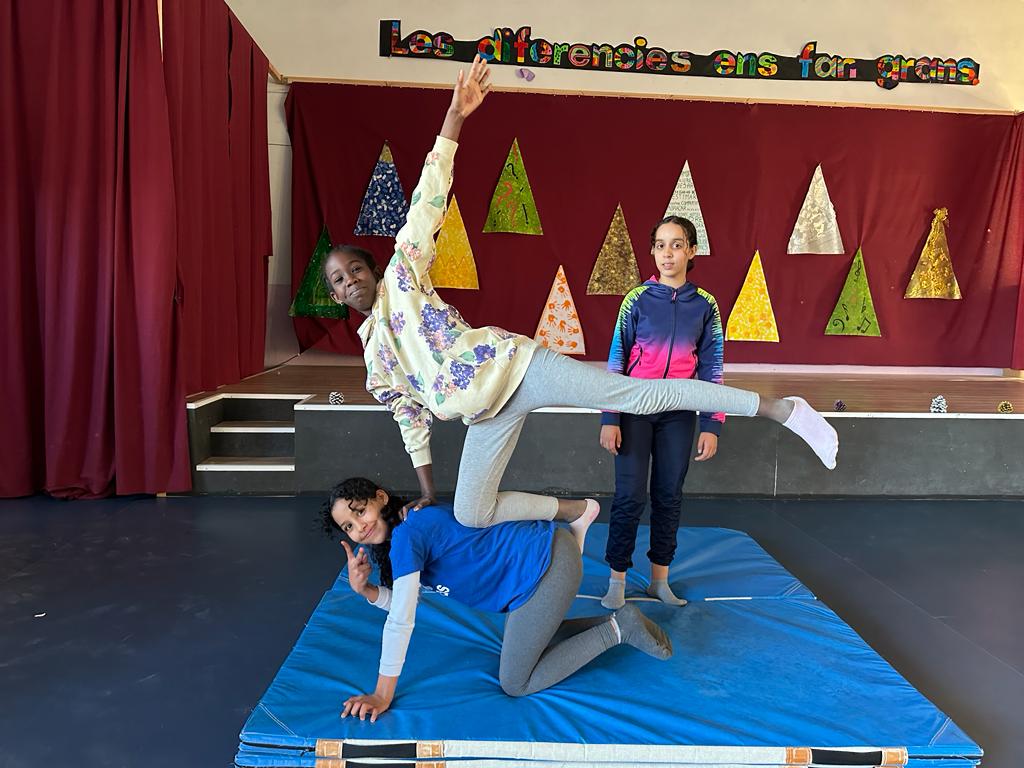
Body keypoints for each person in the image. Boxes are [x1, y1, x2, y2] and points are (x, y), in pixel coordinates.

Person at [324, 56, 838, 537]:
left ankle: (781, 410)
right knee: (471, 512)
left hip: (518, 368)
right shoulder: (375, 360)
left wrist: (455, 116)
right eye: (340, 280)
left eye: (355, 269)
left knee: (640, 395)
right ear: (336, 295)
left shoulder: (404, 272)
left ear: (373, 268)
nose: (351, 281)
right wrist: (428, 491)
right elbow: (409, 418)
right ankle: (577, 511)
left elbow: (428, 201)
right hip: (484, 415)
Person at [322, 477, 674, 722]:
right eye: (349, 527)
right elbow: (408, 602)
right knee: (527, 645)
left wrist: (382, 694)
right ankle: (620, 622)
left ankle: (618, 630)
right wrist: (366, 591)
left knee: (516, 682)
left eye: (359, 511)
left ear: (380, 498)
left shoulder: (408, 534)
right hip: (541, 570)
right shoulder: (407, 533)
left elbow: (402, 620)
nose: (359, 527)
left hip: (547, 566)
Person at [599, 215, 722, 610]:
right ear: (652, 251)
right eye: (660, 245)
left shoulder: (705, 305)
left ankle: (659, 580)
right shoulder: (636, 300)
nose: (667, 253)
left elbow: (713, 367)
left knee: (669, 495)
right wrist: (610, 417)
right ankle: (617, 579)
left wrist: (711, 423)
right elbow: (616, 361)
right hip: (635, 409)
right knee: (629, 495)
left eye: (676, 245)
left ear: (692, 251)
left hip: (678, 413)